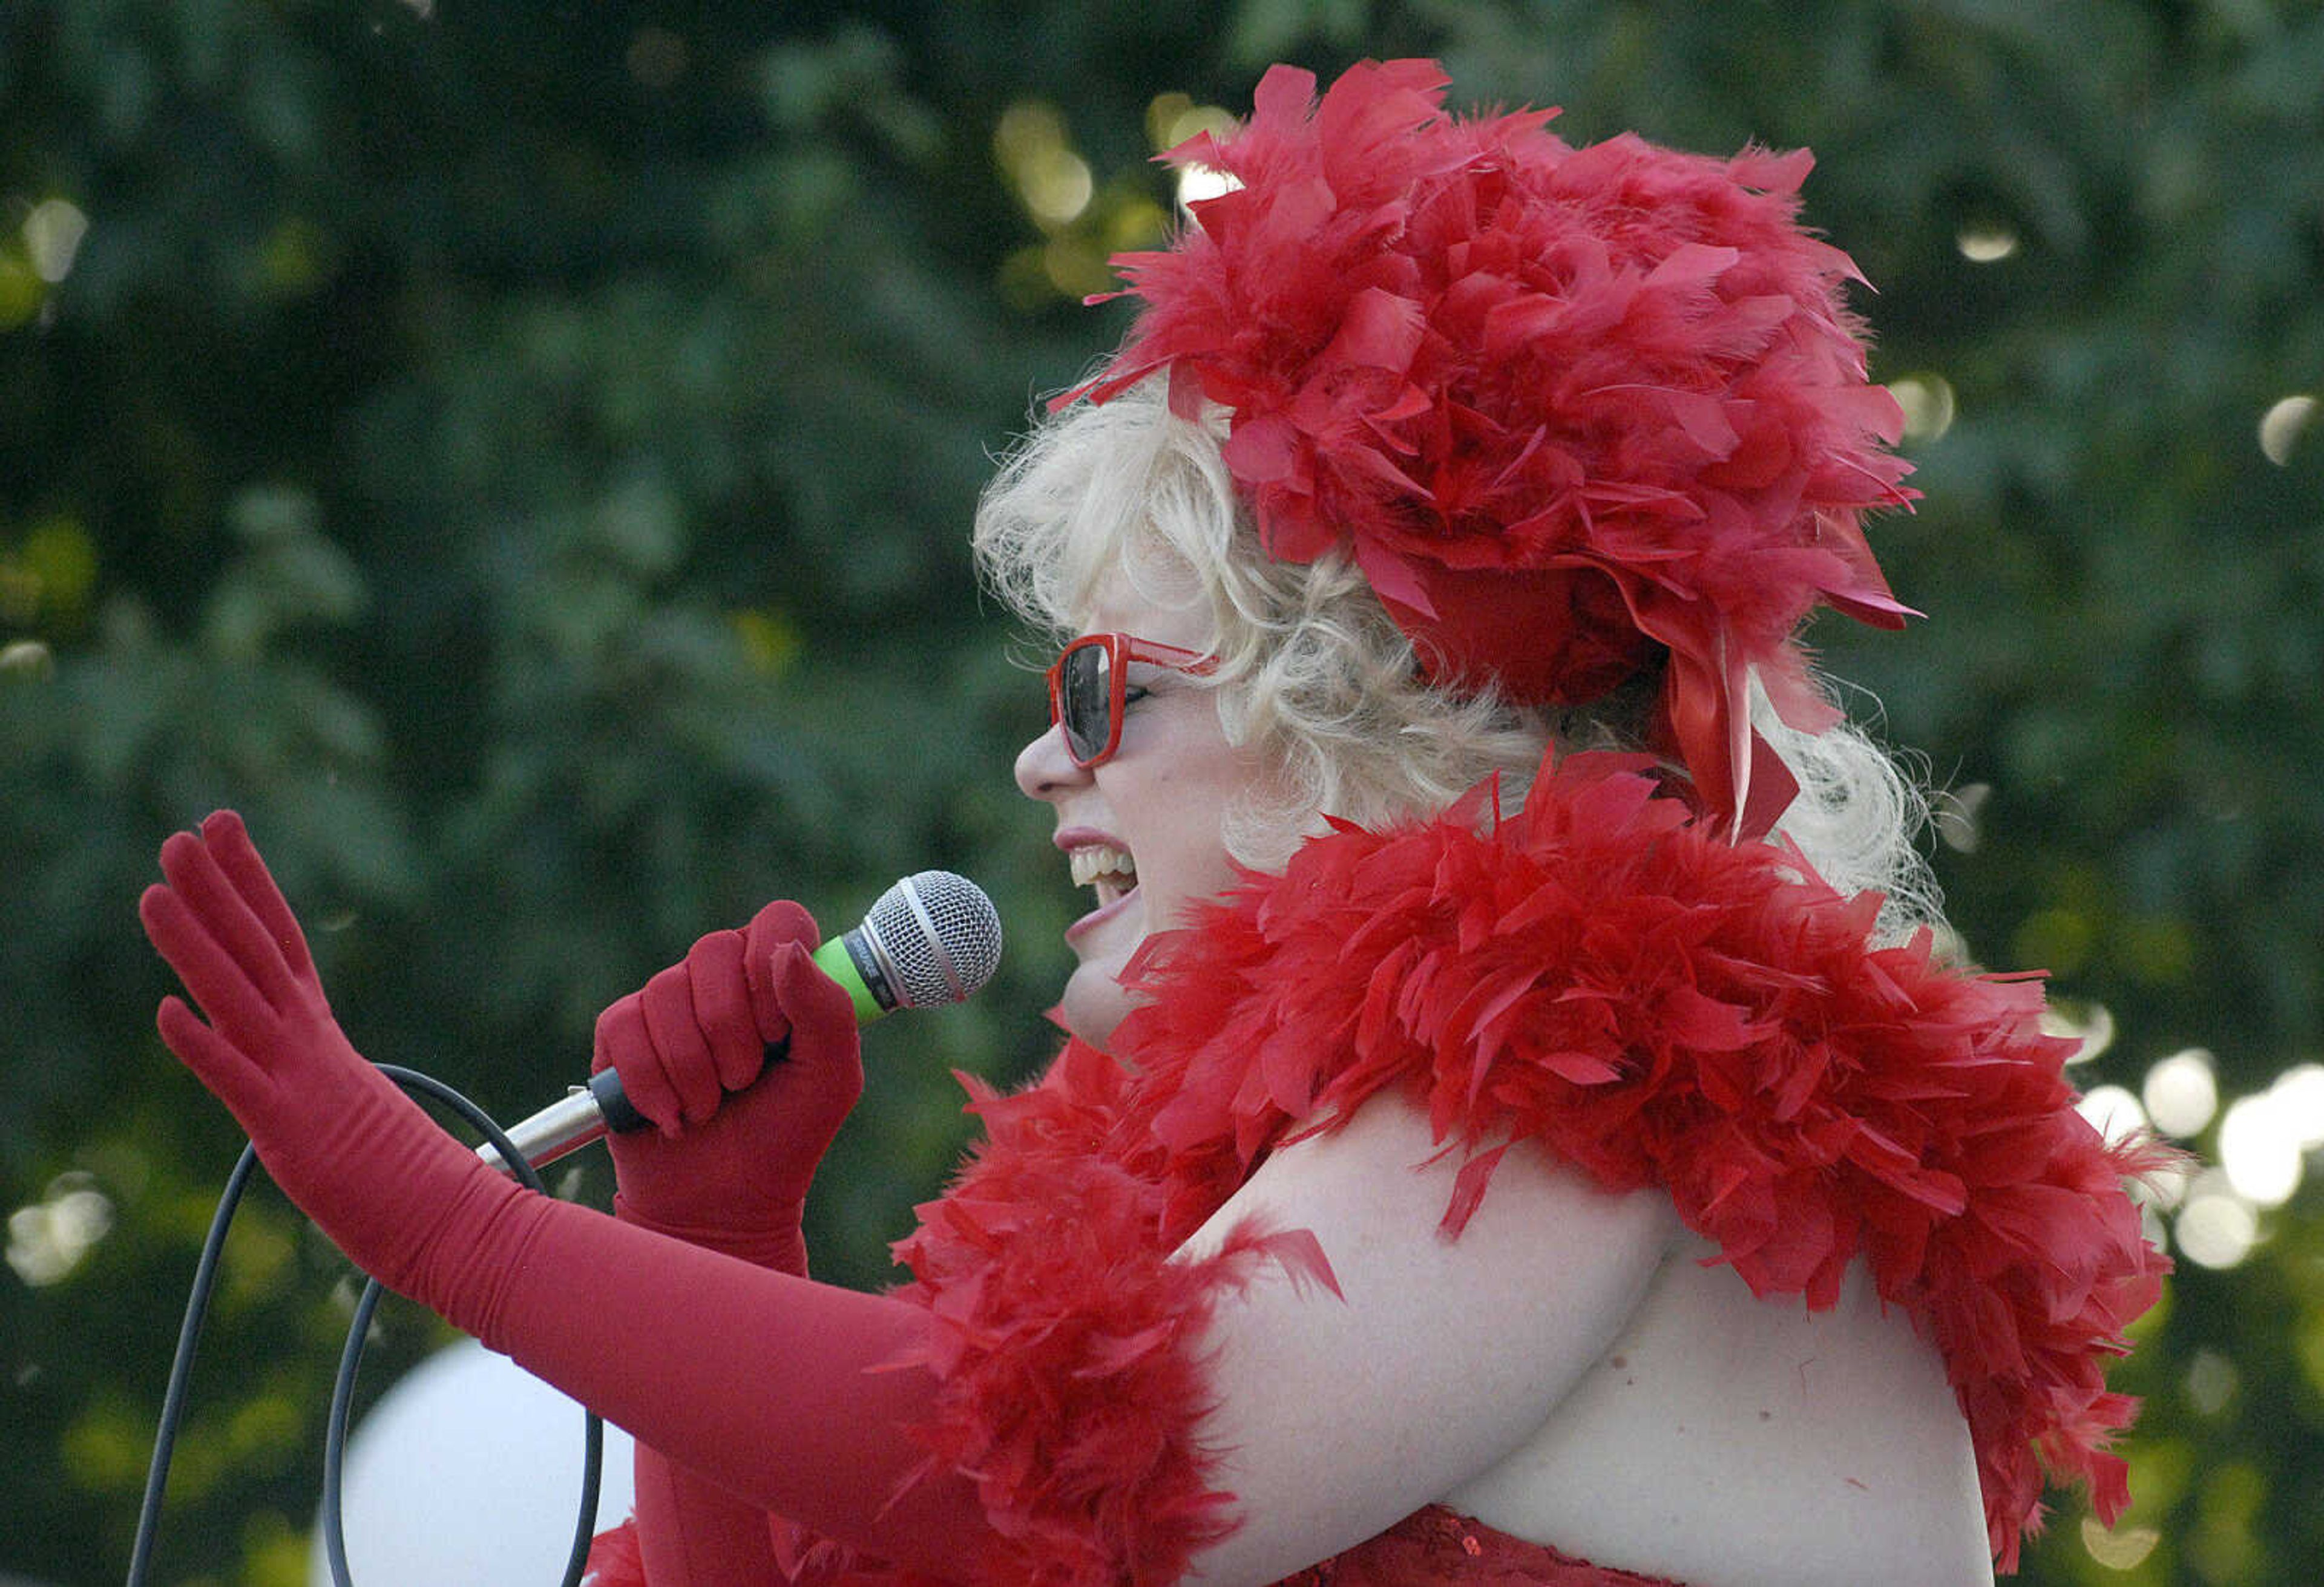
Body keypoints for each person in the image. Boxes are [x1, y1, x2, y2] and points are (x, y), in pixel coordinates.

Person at [140, 59, 2168, 1586]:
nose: (1045, 766)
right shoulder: (1299, 1184)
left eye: (1104, 690)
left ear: (1368, 721)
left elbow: (1045, 1478)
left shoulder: (1601, 1062)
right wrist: (717, 1222)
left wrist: (442, 1216)